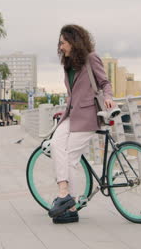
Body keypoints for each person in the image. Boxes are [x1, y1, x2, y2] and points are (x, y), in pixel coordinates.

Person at [48, 24, 116, 224]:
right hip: (71, 114)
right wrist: (66, 108)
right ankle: (64, 193)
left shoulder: (91, 58)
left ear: (73, 41)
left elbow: (104, 83)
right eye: (59, 43)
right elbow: (72, 93)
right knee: (55, 144)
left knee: (70, 158)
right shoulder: (68, 64)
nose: (60, 47)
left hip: (87, 116)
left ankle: (70, 204)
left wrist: (109, 98)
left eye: (63, 42)